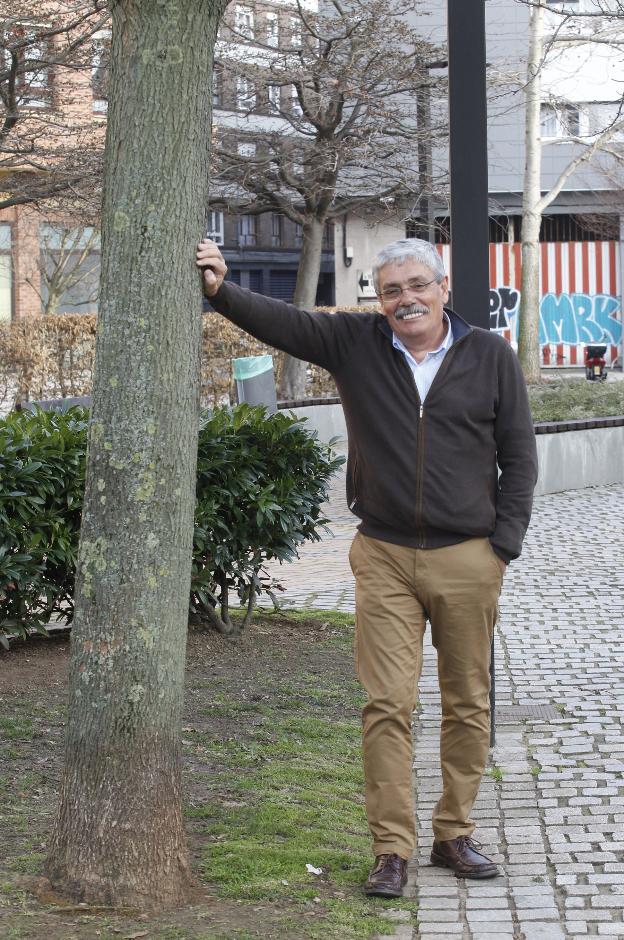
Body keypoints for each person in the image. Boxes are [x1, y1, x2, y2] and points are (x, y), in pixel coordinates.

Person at [196, 236, 538, 897]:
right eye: (390, 290)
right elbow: (285, 323)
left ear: (442, 289)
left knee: (468, 702)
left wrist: (503, 546)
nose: (405, 298)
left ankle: (454, 834)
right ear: (378, 300)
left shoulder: (489, 356)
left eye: (416, 285)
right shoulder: (355, 344)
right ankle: (391, 850)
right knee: (387, 704)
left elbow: (519, 456)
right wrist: (219, 289)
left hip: (469, 556)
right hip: (383, 553)